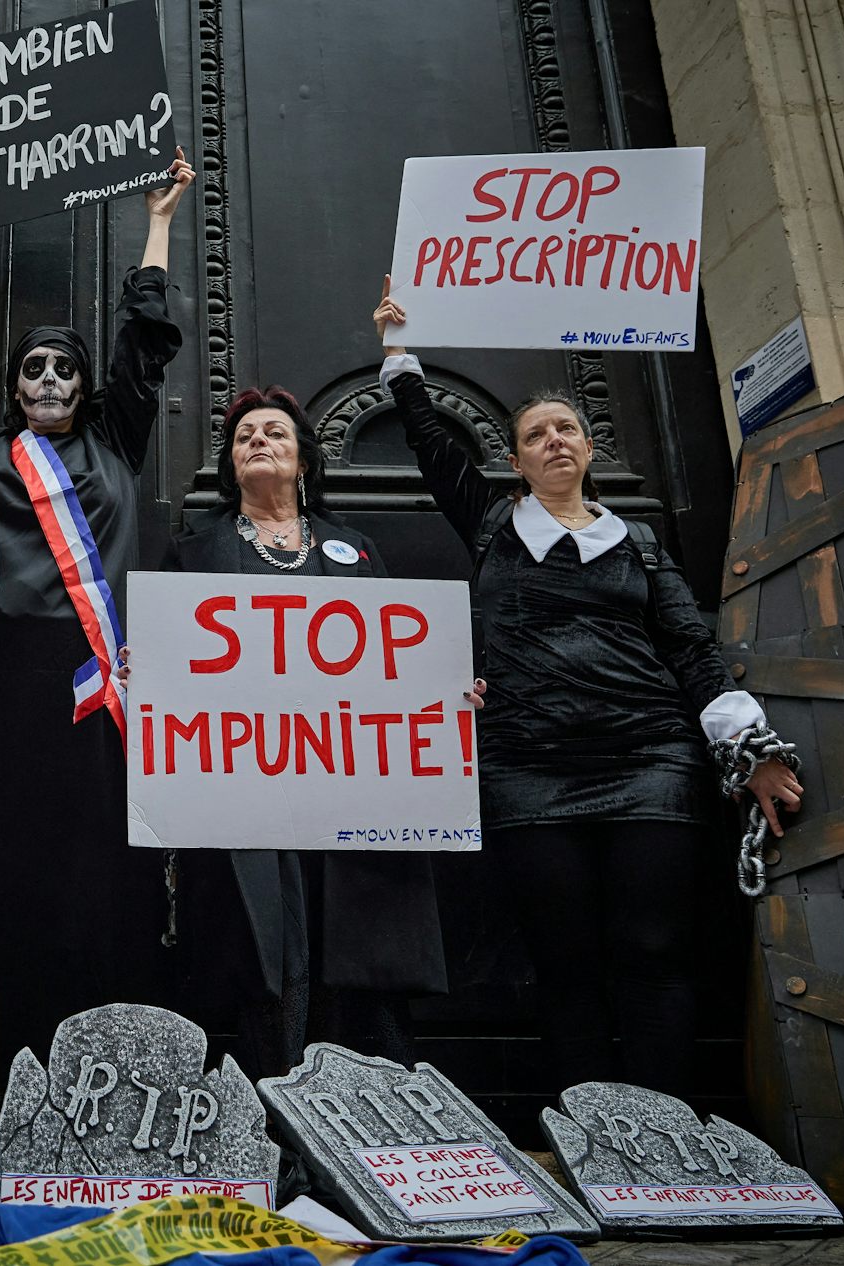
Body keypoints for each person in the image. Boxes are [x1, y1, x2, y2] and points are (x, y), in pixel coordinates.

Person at [373, 276, 802, 1094]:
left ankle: (662, 1136)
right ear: (517, 459)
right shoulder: (493, 526)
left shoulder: (637, 543)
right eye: (537, 435)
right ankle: (593, 1142)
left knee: (653, 953)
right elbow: (431, 441)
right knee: (563, 962)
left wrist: (751, 754)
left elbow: (689, 645)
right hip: (528, 771)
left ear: (589, 448)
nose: (555, 441)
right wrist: (398, 354)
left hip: (651, 764)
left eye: (567, 428)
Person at [0, 151, 195, 1064]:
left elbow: (140, 347)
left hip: (86, 690)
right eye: (35, 369)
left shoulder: (115, 442)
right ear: (16, 384)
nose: (53, 382)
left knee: (86, 869)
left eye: (66, 368)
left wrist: (158, 220)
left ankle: (86, 1051)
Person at [162, 386, 464, 1076]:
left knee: (355, 940)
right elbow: (177, 662)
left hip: (352, 791)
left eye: (274, 434)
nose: (258, 442)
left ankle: (369, 1128)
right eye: (243, 438)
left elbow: (402, 662)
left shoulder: (354, 549)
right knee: (272, 949)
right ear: (231, 464)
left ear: (303, 461)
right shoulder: (196, 553)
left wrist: (444, 697)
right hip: (247, 790)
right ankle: (282, 1130)